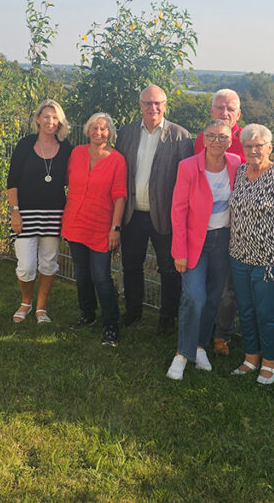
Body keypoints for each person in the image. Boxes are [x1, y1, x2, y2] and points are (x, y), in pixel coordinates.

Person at [116, 85, 195, 335]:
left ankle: (166, 319)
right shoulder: (126, 133)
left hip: (165, 216)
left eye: (158, 103)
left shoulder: (181, 137)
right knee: (131, 265)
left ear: (165, 104)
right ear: (140, 105)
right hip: (132, 213)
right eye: (148, 103)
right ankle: (133, 312)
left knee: (169, 270)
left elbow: (187, 182)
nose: (153, 108)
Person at [227, 124, 274, 385]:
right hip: (238, 257)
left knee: (266, 314)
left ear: (270, 147)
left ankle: (270, 362)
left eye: (259, 145)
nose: (253, 150)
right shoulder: (239, 172)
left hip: (269, 263)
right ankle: (251, 358)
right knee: (246, 311)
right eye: (248, 146)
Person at [166, 119, 241, 380]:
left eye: (222, 137)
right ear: (203, 138)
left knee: (213, 297)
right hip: (194, 242)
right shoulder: (188, 167)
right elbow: (178, 210)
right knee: (194, 296)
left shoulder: (235, 164)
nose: (216, 142)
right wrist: (180, 251)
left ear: (231, 139)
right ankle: (181, 354)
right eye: (211, 136)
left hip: (224, 241)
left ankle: (199, 348)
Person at [62, 113, 128, 347]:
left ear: (110, 132)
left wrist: (115, 228)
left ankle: (111, 324)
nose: (98, 132)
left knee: (101, 276)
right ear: (87, 130)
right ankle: (87, 313)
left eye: (104, 129)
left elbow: (120, 196)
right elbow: (66, 181)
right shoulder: (76, 153)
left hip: (102, 226)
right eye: (94, 128)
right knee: (81, 274)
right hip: (75, 222)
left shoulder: (117, 160)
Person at [6, 99, 73, 324]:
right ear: (37, 119)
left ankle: (41, 308)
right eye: (46, 116)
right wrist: (15, 212)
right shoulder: (25, 145)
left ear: (60, 122)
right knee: (25, 266)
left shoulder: (67, 149)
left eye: (55, 118)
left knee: (49, 263)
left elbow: (74, 180)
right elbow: (12, 181)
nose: (50, 122)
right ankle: (26, 302)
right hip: (25, 214)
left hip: (54, 214)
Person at [193, 88, 246, 356]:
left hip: (235, 227)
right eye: (219, 107)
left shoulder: (246, 141)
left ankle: (221, 335)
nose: (224, 113)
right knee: (202, 283)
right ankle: (199, 331)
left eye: (230, 109)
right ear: (211, 111)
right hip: (202, 227)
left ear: (238, 114)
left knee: (227, 287)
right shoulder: (201, 139)